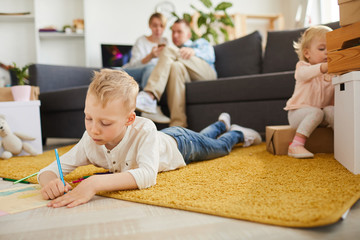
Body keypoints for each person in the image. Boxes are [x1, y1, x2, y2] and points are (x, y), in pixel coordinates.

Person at [38, 69, 261, 208]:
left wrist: (94, 183)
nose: (94, 129)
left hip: (181, 144)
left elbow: (147, 175)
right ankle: (220, 123)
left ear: (129, 119)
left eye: (105, 123)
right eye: (88, 118)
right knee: (206, 138)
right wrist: (50, 183)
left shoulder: (145, 129)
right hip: (168, 140)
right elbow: (46, 171)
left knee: (218, 147)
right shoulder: (90, 139)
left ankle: (235, 132)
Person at [135, 19, 217, 128]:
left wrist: (194, 52)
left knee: (168, 50)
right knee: (175, 67)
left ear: (188, 34)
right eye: (173, 32)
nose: (175, 35)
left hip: (206, 73)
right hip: (187, 74)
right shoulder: (174, 55)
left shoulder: (198, 43)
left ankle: (150, 95)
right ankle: (178, 125)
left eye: (179, 32)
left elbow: (211, 55)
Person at [284, 25, 334, 159]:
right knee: (316, 112)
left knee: (331, 110)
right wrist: (324, 67)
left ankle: (346, 142)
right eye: (322, 49)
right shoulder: (302, 67)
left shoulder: (332, 75)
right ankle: (295, 145)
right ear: (307, 53)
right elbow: (304, 74)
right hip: (297, 114)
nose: (327, 52)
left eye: (332, 49)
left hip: (320, 116)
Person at [122, 12, 168, 90]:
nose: (158, 29)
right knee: (151, 68)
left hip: (152, 74)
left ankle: (146, 97)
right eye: (155, 25)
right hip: (131, 71)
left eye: (161, 26)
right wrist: (150, 56)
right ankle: (146, 95)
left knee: (154, 70)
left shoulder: (166, 42)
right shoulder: (141, 41)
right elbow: (133, 65)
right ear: (150, 25)